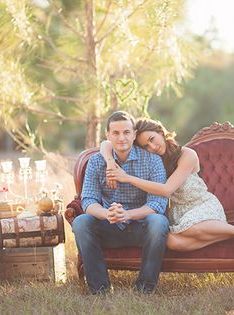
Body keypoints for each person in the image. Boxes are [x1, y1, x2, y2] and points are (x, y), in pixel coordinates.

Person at [102, 118, 234, 252]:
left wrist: (127, 178)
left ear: (161, 132)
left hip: (203, 207)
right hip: (180, 213)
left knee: (190, 228)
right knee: (172, 242)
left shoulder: (187, 154)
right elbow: (106, 144)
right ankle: (226, 235)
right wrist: (110, 162)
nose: (153, 147)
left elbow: (167, 190)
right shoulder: (153, 161)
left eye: (153, 139)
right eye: (146, 146)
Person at [72, 111, 169, 295]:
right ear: (107, 136)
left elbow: (157, 204)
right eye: (115, 133)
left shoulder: (153, 161)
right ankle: (99, 289)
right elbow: (88, 200)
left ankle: (145, 288)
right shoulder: (96, 162)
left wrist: (128, 214)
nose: (121, 138)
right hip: (109, 226)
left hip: (142, 228)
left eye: (126, 132)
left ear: (134, 134)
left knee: (159, 222)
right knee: (81, 222)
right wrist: (107, 214)